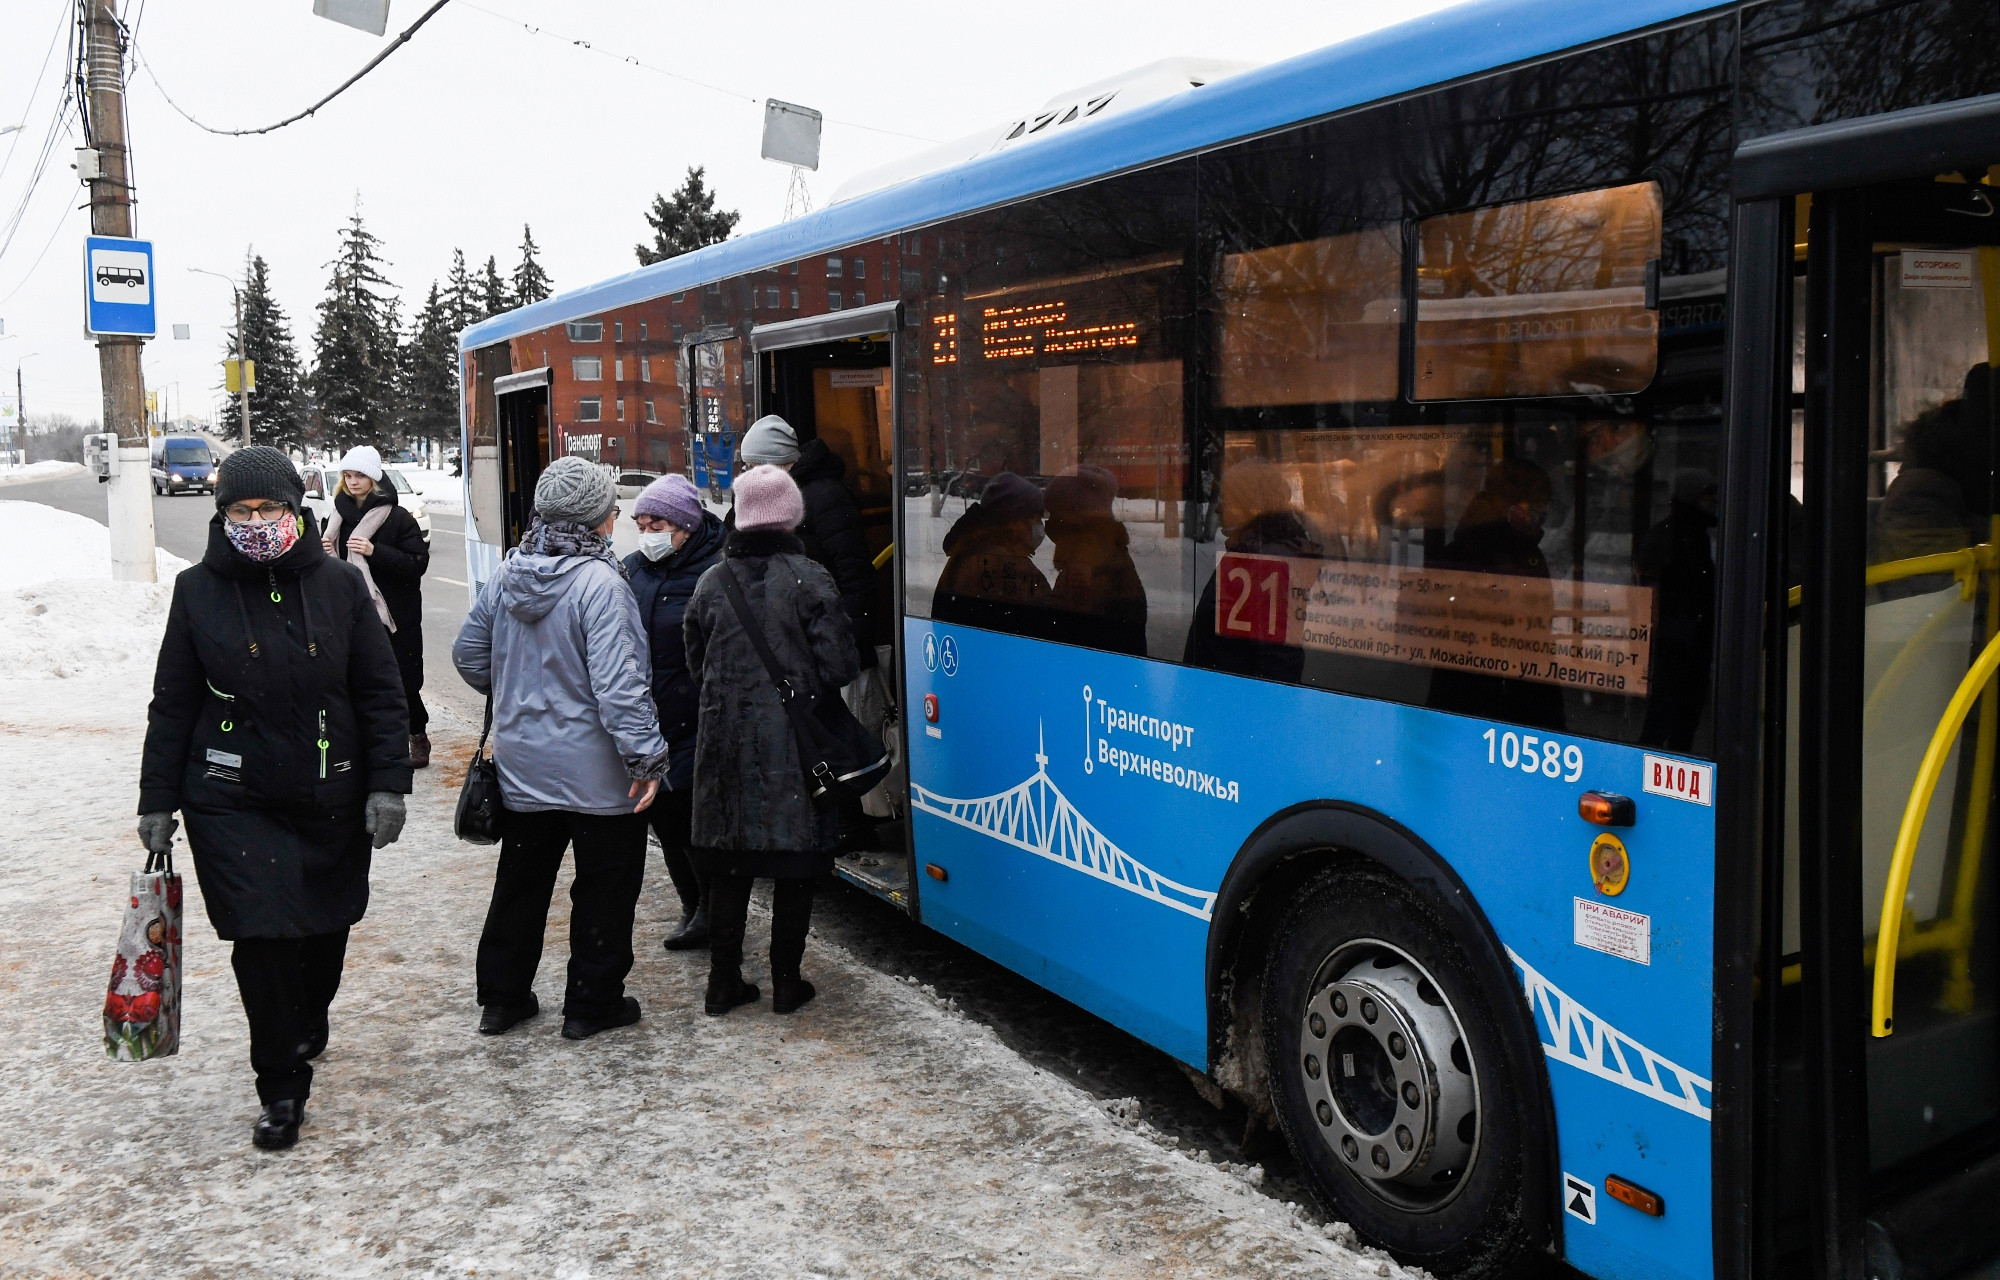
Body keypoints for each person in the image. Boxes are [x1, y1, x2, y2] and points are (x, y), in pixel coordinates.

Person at [137, 446, 411, 1151]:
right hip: (231, 797)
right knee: (260, 940)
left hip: (331, 793)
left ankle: (307, 1015)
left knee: (323, 931)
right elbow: (172, 703)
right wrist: (157, 800)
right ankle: (280, 1083)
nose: (255, 521)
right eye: (241, 510)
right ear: (222, 514)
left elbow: (380, 694)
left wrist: (388, 784)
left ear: (296, 510)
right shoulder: (197, 590)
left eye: (269, 509)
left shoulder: (341, 587)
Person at [452, 457, 669, 1041]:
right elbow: (621, 688)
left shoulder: (508, 573)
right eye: (611, 509)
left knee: (521, 884)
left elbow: (468, 655)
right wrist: (646, 758)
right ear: (597, 519)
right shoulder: (601, 583)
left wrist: (520, 694)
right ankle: (591, 1005)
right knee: (605, 886)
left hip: (524, 766)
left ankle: (502, 999)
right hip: (600, 774)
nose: (616, 517)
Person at [683, 464, 860, 1016]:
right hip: (795, 748)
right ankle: (787, 981)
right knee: (795, 864)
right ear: (790, 516)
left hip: (724, 745)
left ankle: (722, 982)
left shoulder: (712, 582)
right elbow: (841, 666)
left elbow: (696, 663)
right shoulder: (810, 577)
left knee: (731, 863)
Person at [740, 413, 884, 850]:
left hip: (826, 645)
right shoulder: (763, 500)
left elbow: (855, 577)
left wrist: (840, 644)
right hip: (789, 647)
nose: (749, 475)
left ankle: (848, 822)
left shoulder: (823, 496)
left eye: (755, 466)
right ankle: (827, 819)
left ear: (781, 463)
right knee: (807, 737)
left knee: (832, 736)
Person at [625, 473, 725, 950]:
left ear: (686, 523)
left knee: (694, 819)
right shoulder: (632, 568)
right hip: (651, 717)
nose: (649, 533)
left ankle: (712, 911)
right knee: (664, 817)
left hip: (699, 714)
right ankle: (694, 906)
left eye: (658, 522)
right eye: (641, 523)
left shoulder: (716, 569)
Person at [321, 445, 433, 768]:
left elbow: (417, 563)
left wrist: (375, 550)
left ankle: (417, 735)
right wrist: (323, 549)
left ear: (374, 479)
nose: (353, 482)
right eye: (348, 476)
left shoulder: (397, 518)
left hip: (396, 616)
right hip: (351, 612)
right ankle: (374, 744)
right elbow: (326, 563)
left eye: (360, 476)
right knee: (359, 681)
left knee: (403, 683)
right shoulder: (336, 516)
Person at [931, 471, 1053, 636]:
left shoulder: (968, 552)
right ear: (1015, 522)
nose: (1040, 527)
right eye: (1036, 518)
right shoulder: (1006, 565)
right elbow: (1044, 628)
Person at [1044, 465, 1147, 656]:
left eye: (1055, 514)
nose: (1048, 524)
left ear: (1074, 519)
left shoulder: (1086, 570)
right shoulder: (1102, 556)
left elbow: (1067, 640)